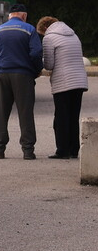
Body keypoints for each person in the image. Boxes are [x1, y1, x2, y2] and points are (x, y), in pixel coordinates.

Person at [0, 3, 42, 159]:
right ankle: (28, 151)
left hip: (2, 74)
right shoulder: (29, 29)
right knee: (25, 113)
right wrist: (36, 70)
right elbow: (36, 53)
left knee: (1, 113)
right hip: (22, 75)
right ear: (24, 16)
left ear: (9, 16)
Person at [36, 16, 88, 159]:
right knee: (73, 116)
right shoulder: (73, 34)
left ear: (45, 28)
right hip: (79, 82)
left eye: (41, 33)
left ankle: (62, 150)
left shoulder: (49, 38)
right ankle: (74, 149)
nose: (42, 36)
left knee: (61, 117)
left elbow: (49, 65)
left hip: (63, 82)